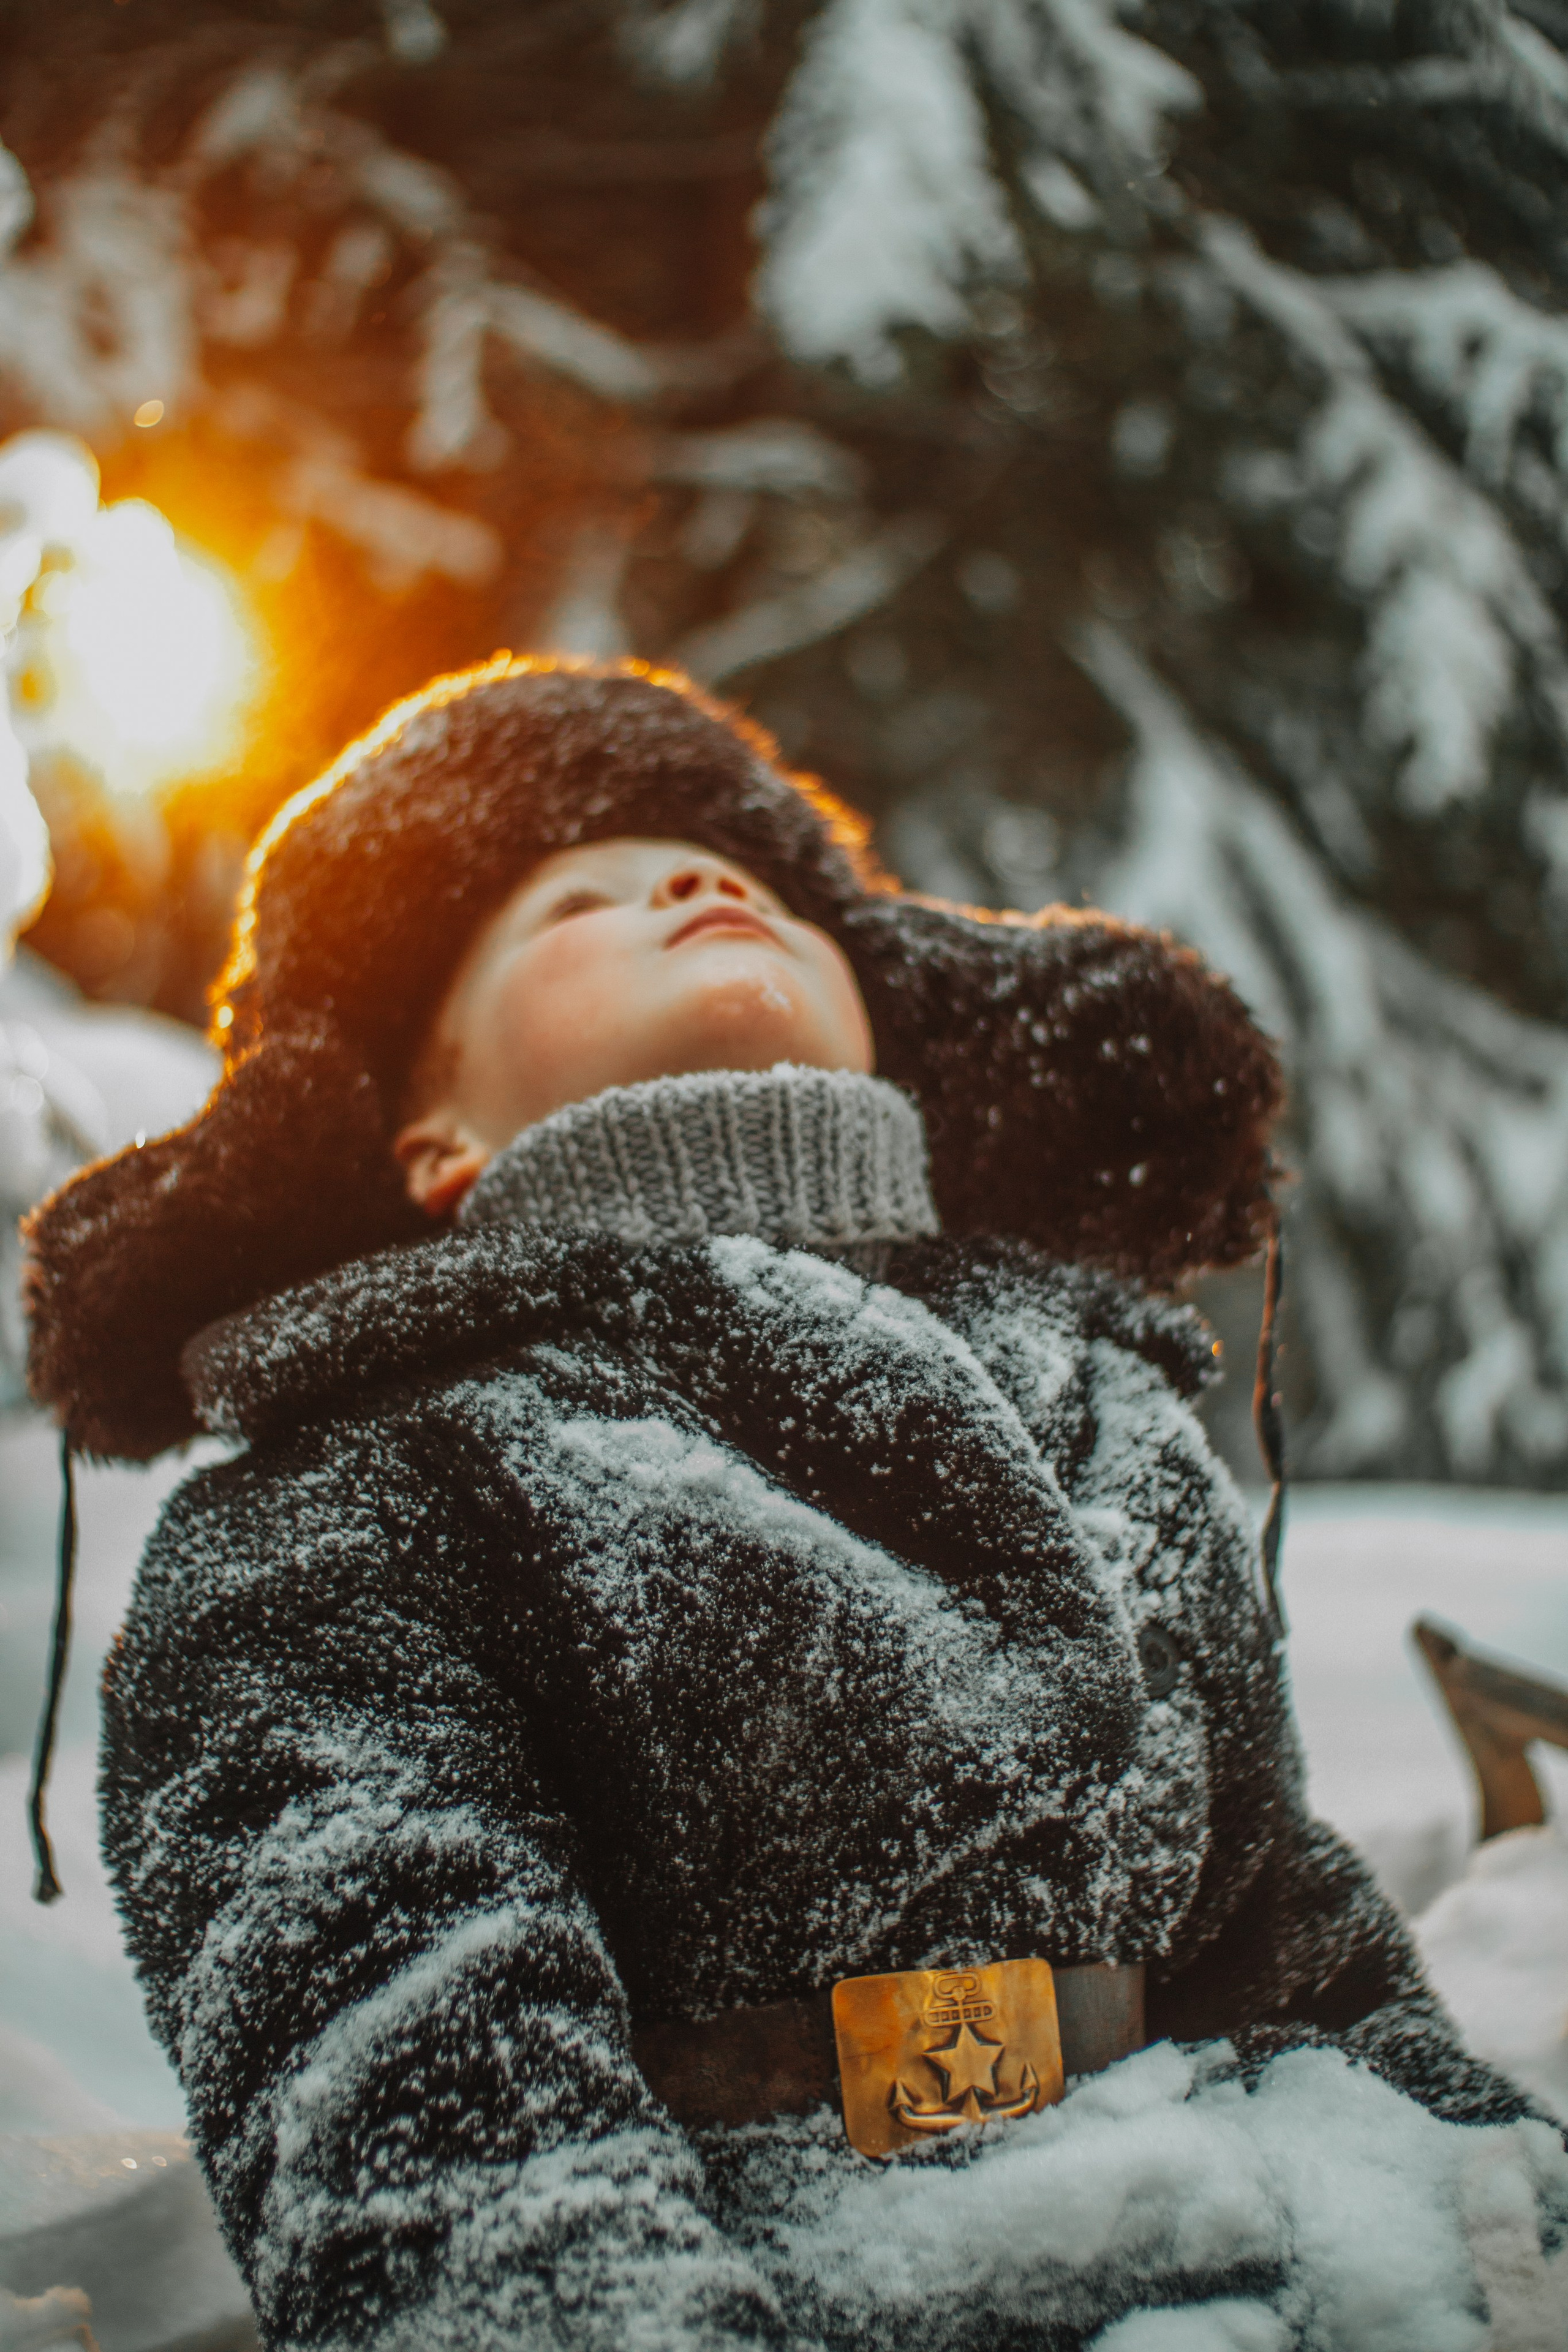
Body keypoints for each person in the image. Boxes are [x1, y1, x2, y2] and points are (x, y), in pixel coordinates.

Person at [22, 659, 1558, 2351]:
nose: (690, 880)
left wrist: (1488, 2202)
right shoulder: (348, 1500)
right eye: (576, 905)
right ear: (428, 1137)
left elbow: (1288, 1939)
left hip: (1297, 2253)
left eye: (733, 870)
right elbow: (420, 2090)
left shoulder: (1105, 1404)